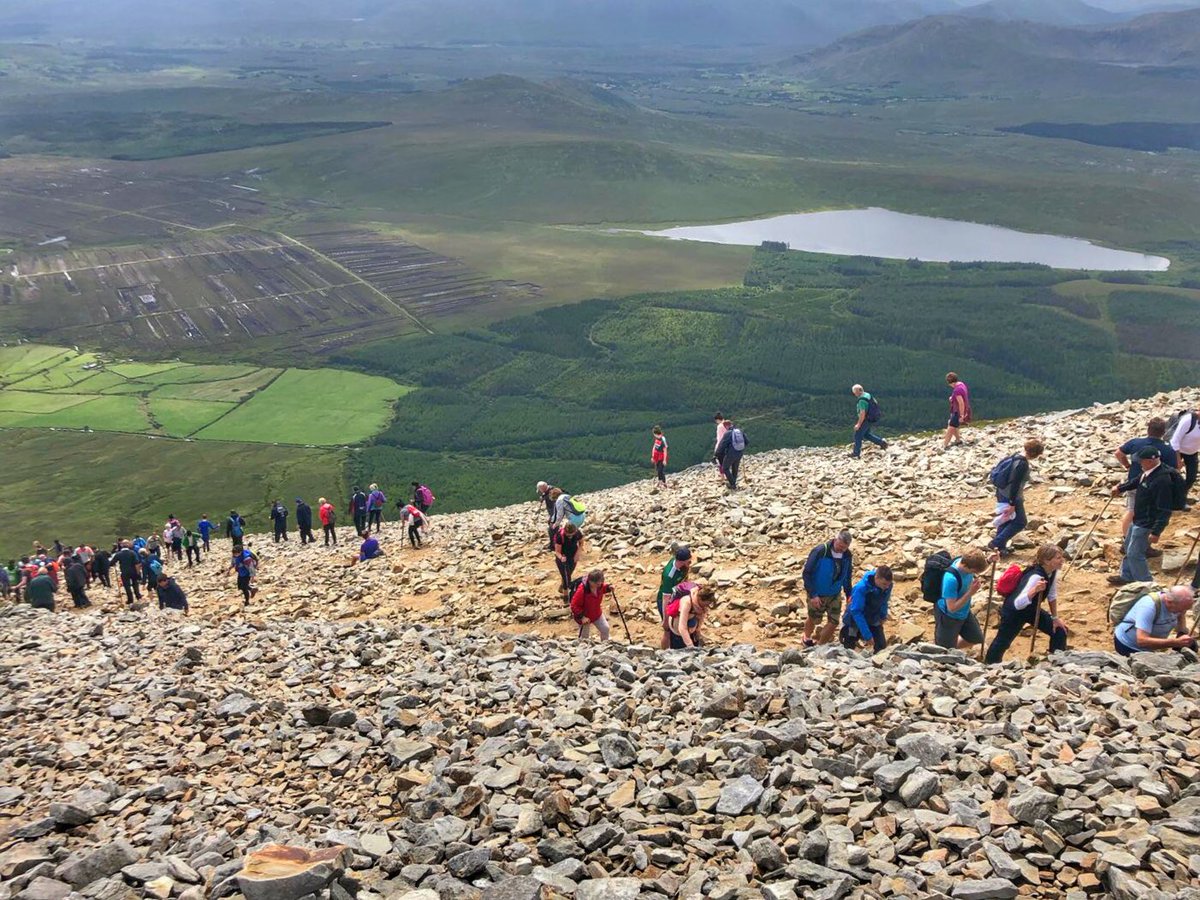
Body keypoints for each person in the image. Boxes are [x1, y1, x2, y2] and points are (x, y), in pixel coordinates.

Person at [984, 544, 1069, 664]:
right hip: (1014, 612)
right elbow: (1018, 603)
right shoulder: (1035, 576)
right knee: (1003, 641)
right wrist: (1034, 590)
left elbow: (1052, 594)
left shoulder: (1052, 572)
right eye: (1058, 558)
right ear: (1047, 561)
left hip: (1031, 609)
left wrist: (1055, 618)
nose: (1062, 560)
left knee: (1059, 630)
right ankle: (990, 665)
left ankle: (1056, 663)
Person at [1110, 446, 1176, 586]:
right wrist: (1120, 488)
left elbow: (1165, 509)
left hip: (1147, 522)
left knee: (1135, 553)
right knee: (1128, 547)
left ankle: (1147, 584)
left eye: (1142, 461)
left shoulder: (1162, 480)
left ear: (1151, 461)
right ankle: (1127, 576)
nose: (1139, 463)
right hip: (1138, 518)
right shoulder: (1148, 472)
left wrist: (1157, 531)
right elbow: (1136, 481)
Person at [1115, 417, 1178, 538]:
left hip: (1133, 482)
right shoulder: (1167, 448)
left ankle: (1126, 539)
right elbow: (1173, 470)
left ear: (1148, 429)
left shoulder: (1135, 442)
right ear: (1163, 432)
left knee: (1131, 510)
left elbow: (1118, 453)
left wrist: (1127, 465)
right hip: (1154, 487)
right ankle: (1143, 543)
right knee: (1149, 515)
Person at [988, 438, 1045, 558]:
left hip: (1001, 492)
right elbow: (1015, 484)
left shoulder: (1014, 456)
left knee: (1006, 519)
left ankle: (1000, 548)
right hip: (1011, 496)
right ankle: (996, 543)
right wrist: (1012, 504)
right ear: (1034, 453)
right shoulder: (1022, 464)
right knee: (1020, 522)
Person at [801, 531, 854, 647]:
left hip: (835, 593)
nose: (841, 550)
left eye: (844, 548)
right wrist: (813, 594)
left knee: (834, 621)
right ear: (835, 541)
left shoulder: (847, 555)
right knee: (814, 618)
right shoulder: (820, 551)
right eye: (840, 546)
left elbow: (847, 575)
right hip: (817, 593)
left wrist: (849, 594)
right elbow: (806, 573)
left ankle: (820, 645)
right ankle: (806, 637)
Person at [1113, 586, 1196, 656]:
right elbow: (1142, 640)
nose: (1183, 612)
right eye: (1181, 609)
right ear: (1169, 602)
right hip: (1129, 645)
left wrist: (1181, 632)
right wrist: (1175, 642)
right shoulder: (1148, 607)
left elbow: (1181, 616)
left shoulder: (1178, 606)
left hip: (1150, 647)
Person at [933, 550, 991, 650]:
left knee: (976, 638)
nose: (974, 574)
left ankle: (952, 650)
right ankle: (946, 651)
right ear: (965, 566)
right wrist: (971, 592)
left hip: (964, 612)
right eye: (974, 572)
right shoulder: (951, 579)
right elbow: (951, 608)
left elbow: (976, 564)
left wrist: (989, 561)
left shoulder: (965, 561)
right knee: (944, 650)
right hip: (948, 617)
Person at [841, 565, 893, 653]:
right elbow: (856, 612)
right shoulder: (861, 588)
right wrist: (867, 636)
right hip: (855, 619)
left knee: (881, 646)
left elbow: (884, 601)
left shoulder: (888, 586)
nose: (886, 587)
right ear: (876, 578)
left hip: (873, 617)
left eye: (888, 584)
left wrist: (883, 616)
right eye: (884, 584)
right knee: (849, 647)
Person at [657, 546, 693, 650]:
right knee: (668, 630)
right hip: (667, 601)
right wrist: (665, 619)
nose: (690, 564)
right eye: (688, 562)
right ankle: (666, 652)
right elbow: (665, 599)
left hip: (677, 596)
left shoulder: (683, 566)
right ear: (681, 561)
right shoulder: (670, 575)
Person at [665, 582, 717, 649]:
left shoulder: (701, 606)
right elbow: (682, 627)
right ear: (700, 599)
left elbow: (701, 617)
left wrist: (698, 631)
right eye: (705, 604)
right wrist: (690, 646)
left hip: (691, 630)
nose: (706, 607)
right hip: (677, 631)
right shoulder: (687, 602)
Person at [1168, 406, 1199, 510]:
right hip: (1177, 450)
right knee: (1174, 477)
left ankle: (1180, 498)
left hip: (1192, 452)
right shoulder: (1188, 420)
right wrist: (1178, 460)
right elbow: (1175, 440)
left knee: (1191, 478)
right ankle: (1175, 501)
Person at [570, 569, 612, 642]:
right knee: (584, 639)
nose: (599, 585)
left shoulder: (600, 585)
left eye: (601, 582)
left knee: (605, 629)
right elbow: (574, 605)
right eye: (597, 583)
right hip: (584, 617)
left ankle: (604, 646)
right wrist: (582, 617)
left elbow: (603, 588)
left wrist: (608, 588)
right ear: (590, 581)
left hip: (596, 613)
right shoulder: (582, 590)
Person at [850, 384, 888, 459]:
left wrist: (858, 424)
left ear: (858, 391)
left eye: (855, 392)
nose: (854, 394)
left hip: (865, 419)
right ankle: (881, 443)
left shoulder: (862, 400)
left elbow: (862, 413)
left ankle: (856, 453)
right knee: (866, 434)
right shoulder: (868, 395)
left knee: (858, 435)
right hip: (872, 418)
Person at [553, 522, 583, 598]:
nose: (570, 537)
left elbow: (581, 543)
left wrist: (578, 553)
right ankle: (566, 596)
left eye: (572, 535)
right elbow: (557, 551)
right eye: (568, 535)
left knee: (569, 574)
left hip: (573, 555)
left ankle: (562, 586)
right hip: (563, 558)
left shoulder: (577, 533)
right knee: (567, 577)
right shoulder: (560, 536)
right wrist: (561, 557)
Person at [715, 419, 748, 490]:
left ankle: (732, 483)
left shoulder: (728, 433)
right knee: (735, 468)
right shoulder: (740, 431)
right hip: (740, 452)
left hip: (731, 453)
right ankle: (733, 483)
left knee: (725, 468)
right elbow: (747, 441)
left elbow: (722, 445)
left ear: (726, 426)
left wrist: (717, 454)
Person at [943, 373, 971, 450]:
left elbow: (961, 403)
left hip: (958, 411)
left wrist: (961, 415)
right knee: (952, 424)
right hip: (962, 409)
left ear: (951, 383)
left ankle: (944, 445)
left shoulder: (956, 390)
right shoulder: (961, 384)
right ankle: (958, 440)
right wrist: (952, 398)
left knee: (951, 426)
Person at [112, 540, 141, 606]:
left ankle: (130, 599)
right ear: (128, 545)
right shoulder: (132, 553)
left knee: (127, 586)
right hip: (133, 571)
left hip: (124, 572)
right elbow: (137, 563)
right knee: (135, 584)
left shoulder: (118, 554)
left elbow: (112, 562)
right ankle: (138, 596)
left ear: (121, 546)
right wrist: (138, 573)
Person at [537, 482, 559, 551]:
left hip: (555, 513)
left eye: (540, 490)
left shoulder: (551, 492)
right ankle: (555, 542)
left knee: (551, 530)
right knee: (552, 527)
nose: (540, 491)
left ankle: (553, 546)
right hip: (553, 513)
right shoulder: (549, 490)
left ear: (542, 488)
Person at [713, 413, 728, 481]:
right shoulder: (727, 424)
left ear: (718, 420)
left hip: (721, 446)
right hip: (728, 446)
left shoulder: (720, 426)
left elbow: (720, 438)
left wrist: (717, 449)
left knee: (720, 462)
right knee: (727, 461)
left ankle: (722, 477)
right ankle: (730, 475)